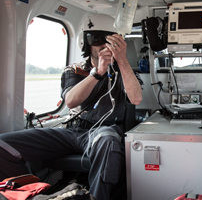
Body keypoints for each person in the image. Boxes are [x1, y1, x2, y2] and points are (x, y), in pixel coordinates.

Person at [0, 13, 143, 199]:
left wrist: (122, 61)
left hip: (104, 131)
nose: (102, 46)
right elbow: (71, 101)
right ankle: (32, 193)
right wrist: (98, 72)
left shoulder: (124, 72)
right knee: (4, 145)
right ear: (85, 43)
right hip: (71, 132)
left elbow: (136, 98)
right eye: (97, 39)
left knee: (107, 141)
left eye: (109, 41)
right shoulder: (74, 70)